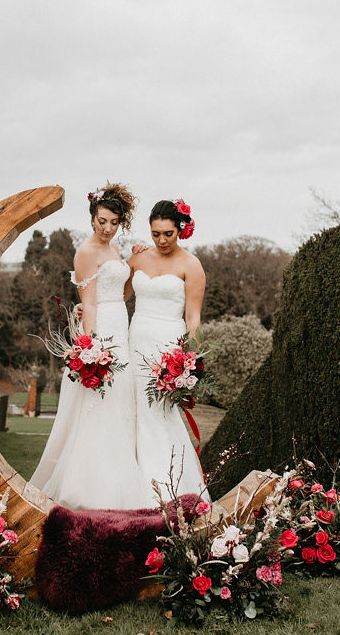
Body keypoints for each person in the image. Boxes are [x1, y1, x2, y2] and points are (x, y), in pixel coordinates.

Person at [30, 184, 154, 510]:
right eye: (102, 221)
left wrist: (135, 260)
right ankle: (93, 485)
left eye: (114, 222)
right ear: (92, 217)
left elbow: (120, 295)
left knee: (121, 402)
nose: (107, 228)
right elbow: (91, 303)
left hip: (120, 323)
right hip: (103, 330)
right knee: (100, 403)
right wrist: (92, 349)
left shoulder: (114, 249)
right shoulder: (85, 251)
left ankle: (120, 476)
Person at [128, 199, 210, 503]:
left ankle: (168, 489)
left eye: (168, 234)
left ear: (181, 230)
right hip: (135, 342)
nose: (161, 240)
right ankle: (132, 486)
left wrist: (190, 361)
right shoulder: (137, 259)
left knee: (159, 416)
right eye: (155, 234)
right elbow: (116, 295)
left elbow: (193, 317)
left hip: (168, 349)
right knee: (134, 411)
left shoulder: (191, 265)